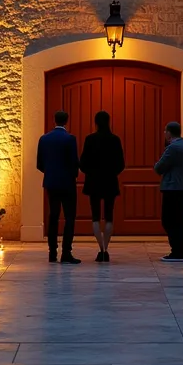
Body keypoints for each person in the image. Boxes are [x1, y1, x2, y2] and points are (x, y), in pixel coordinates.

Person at [37, 109, 81, 264]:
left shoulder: (44, 139)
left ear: (54, 120)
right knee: (69, 217)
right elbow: (74, 162)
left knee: (53, 216)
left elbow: (39, 164)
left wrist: (50, 172)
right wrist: (73, 175)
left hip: (51, 182)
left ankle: (52, 252)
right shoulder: (70, 139)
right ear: (66, 121)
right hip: (67, 183)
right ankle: (66, 252)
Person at [80, 111, 124, 263]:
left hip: (93, 181)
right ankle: (106, 248)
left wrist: (91, 172)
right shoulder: (115, 140)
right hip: (110, 181)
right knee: (109, 216)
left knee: (95, 216)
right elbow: (121, 163)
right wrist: (111, 172)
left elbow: (83, 163)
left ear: (96, 123)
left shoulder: (90, 139)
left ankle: (101, 249)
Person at [153, 121, 183, 262]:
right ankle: (181, 250)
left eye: (165, 131)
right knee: (179, 219)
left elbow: (159, 167)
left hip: (172, 188)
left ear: (169, 133)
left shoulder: (172, 148)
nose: (164, 133)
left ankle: (177, 251)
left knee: (168, 220)